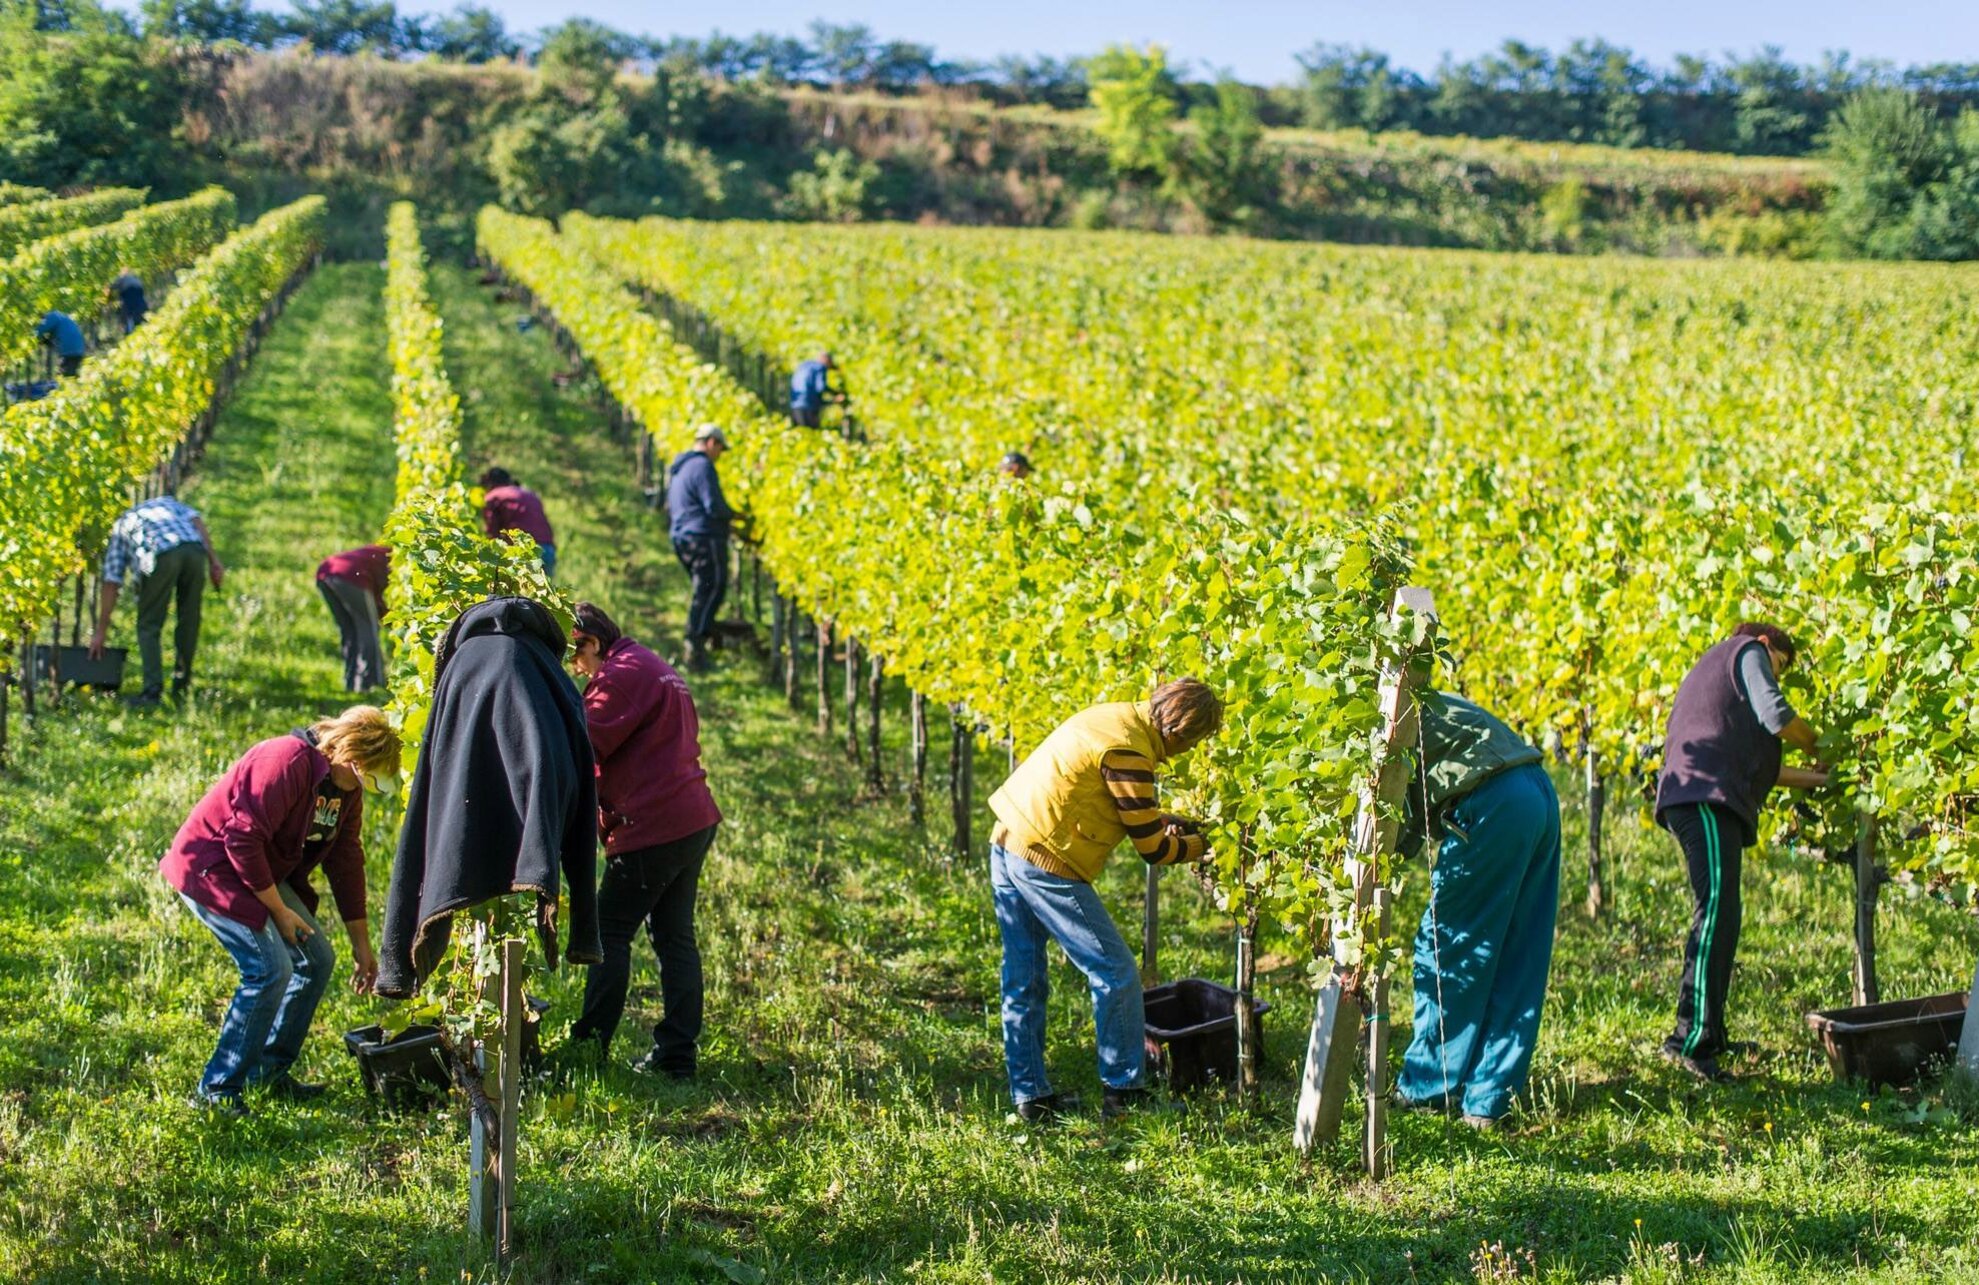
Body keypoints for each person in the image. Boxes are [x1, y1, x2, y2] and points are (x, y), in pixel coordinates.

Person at [986, 679, 1223, 1122]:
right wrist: (1202, 846)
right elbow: (1152, 848)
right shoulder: (1131, 752)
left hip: (1007, 838)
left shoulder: (1117, 718)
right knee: (1115, 971)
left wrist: (1172, 822)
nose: (1187, 751)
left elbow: (1130, 809)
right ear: (1180, 729)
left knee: (1024, 976)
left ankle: (1030, 1098)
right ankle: (1124, 1094)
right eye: (1192, 741)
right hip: (1043, 857)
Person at [162, 706, 402, 1116]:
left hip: (261, 872)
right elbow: (240, 841)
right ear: (353, 758)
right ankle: (218, 1088)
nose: (372, 787)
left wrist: (362, 945)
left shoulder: (346, 791)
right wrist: (278, 910)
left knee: (318, 959)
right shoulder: (285, 762)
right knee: (270, 968)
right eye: (372, 775)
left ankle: (268, 1073)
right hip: (214, 869)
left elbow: (346, 859)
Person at [1656, 622, 1830, 1084]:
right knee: (1715, 913)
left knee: (1724, 914)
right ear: (1769, 646)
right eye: (1782, 667)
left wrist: (1823, 781)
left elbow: (1767, 769)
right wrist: (1819, 745)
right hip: (1704, 798)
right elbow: (1776, 714)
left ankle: (1709, 1033)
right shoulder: (1747, 650)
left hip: (1703, 795)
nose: (1778, 675)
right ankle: (1687, 1041)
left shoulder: (1722, 689)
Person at [564, 603, 722, 1077]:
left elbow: (581, 746)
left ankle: (589, 1049)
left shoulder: (618, 678)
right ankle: (676, 1055)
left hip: (653, 826)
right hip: (690, 816)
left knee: (608, 933)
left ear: (591, 643)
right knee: (675, 937)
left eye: (576, 657)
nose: (577, 670)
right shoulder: (650, 664)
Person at [1394, 691, 1561, 1128]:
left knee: (1447, 948)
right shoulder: (1418, 694)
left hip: (1491, 802)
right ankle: (1488, 1100)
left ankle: (1427, 1088)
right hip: (1537, 790)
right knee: (1516, 954)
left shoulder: (1380, 714)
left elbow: (1392, 816)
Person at [89, 494, 225, 706]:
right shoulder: (168, 503)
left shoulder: (123, 522)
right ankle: (182, 685)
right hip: (194, 550)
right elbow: (196, 521)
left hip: (160, 553)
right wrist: (214, 561)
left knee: (148, 624)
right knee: (189, 620)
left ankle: (152, 691)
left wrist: (101, 631)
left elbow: (112, 580)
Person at [666, 424, 736, 672]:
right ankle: (695, 645)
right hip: (703, 536)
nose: (719, 455)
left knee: (703, 589)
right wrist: (737, 517)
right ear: (711, 442)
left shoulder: (680, 467)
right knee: (713, 587)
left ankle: (699, 639)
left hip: (683, 536)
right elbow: (713, 505)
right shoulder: (703, 466)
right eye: (720, 449)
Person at [316, 544, 390, 693]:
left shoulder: (381, 553)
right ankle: (372, 683)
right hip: (351, 575)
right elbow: (383, 601)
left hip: (326, 572)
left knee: (349, 630)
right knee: (368, 627)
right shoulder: (400, 562)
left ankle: (351, 682)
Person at [478, 466, 557, 577]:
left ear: (490, 483)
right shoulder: (529, 494)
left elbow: (492, 533)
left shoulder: (494, 496)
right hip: (547, 549)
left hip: (523, 551)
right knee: (542, 592)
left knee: (514, 593)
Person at [788, 350, 840, 428]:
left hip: (795, 404)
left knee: (801, 433)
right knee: (812, 433)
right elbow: (820, 388)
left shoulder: (804, 365)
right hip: (809, 406)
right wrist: (835, 395)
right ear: (827, 360)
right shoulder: (820, 367)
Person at [36, 309, 87, 377]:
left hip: (68, 350)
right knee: (72, 376)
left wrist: (36, 339)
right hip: (79, 349)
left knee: (64, 376)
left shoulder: (52, 316)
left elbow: (38, 331)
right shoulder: (63, 317)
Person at [111, 268, 148, 333]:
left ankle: (130, 329)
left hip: (129, 291)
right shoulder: (134, 278)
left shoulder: (121, 278)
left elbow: (113, 286)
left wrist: (108, 290)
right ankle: (145, 321)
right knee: (141, 307)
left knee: (128, 312)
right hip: (139, 290)